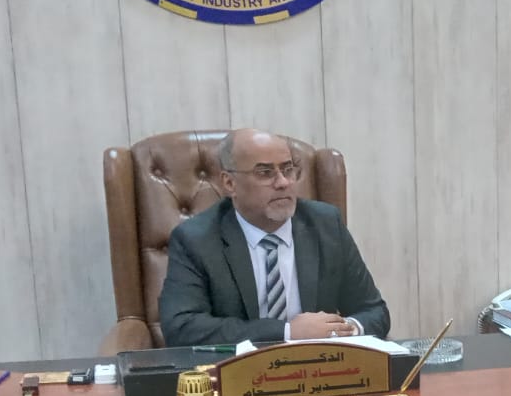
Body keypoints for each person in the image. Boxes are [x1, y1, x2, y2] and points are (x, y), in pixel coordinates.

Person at [159, 127, 391, 345]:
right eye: (265, 173)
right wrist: (287, 332)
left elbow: (374, 312)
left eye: (288, 169)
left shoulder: (325, 225)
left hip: (320, 366)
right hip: (237, 370)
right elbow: (182, 328)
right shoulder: (196, 239)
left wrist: (342, 330)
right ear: (230, 183)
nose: (283, 182)